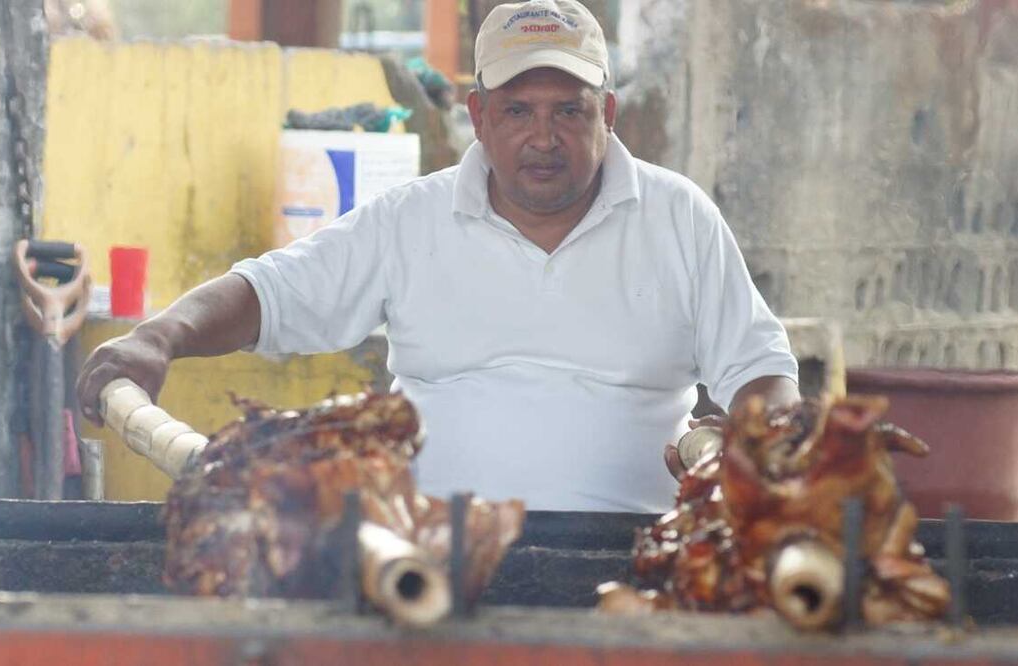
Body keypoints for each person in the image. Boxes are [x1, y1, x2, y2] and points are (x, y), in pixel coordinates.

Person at [76, 0, 799, 513]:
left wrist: (762, 451)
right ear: (478, 117)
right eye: (517, 111)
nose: (542, 138)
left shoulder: (678, 217)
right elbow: (273, 294)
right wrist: (159, 337)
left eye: (568, 111)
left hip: (635, 556)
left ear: (606, 116)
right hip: (431, 560)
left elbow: (759, 369)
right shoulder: (410, 220)